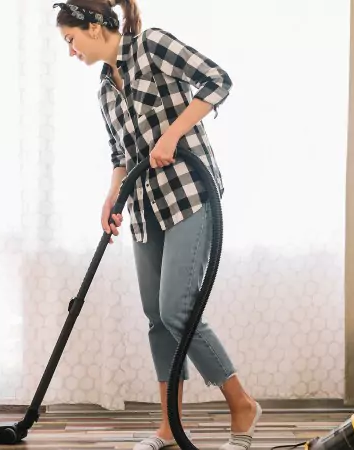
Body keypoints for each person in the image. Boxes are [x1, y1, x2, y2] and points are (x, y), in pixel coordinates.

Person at [53, 1, 262, 450]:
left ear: (92, 27)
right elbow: (120, 154)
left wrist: (172, 135)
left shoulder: (153, 46)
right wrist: (112, 196)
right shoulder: (105, 89)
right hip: (145, 207)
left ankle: (241, 403)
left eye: (70, 40)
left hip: (189, 194)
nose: (70, 51)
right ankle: (169, 427)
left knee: (176, 308)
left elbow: (217, 80)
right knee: (156, 319)